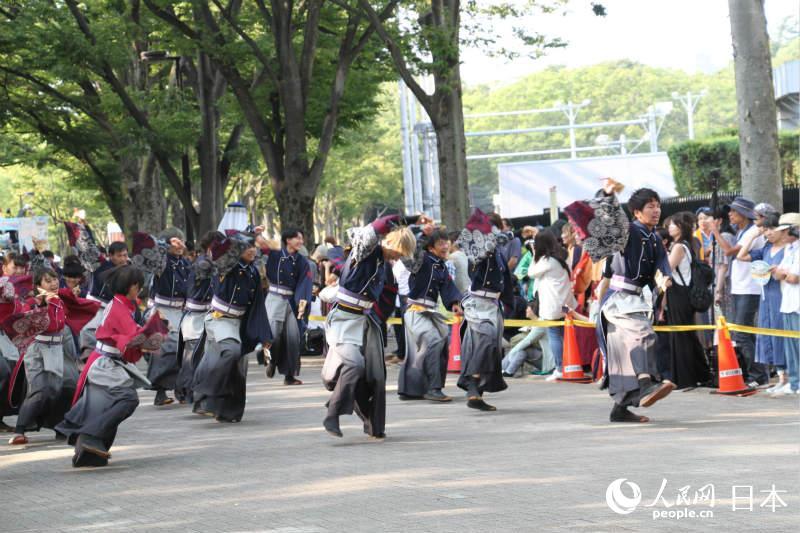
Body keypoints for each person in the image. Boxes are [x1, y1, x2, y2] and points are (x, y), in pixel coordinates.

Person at [56, 265, 167, 467]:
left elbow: (131, 340)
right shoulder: (119, 308)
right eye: (138, 285)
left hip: (107, 361)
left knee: (103, 405)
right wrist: (156, 328)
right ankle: (90, 436)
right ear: (133, 286)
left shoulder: (120, 305)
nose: (139, 289)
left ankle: (88, 451)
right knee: (127, 398)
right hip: (104, 363)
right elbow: (134, 337)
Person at [321, 215, 416, 438]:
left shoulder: (386, 266)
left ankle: (371, 422)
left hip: (365, 321)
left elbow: (387, 296)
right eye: (398, 252)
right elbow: (368, 234)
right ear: (390, 243)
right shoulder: (365, 253)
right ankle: (333, 413)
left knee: (373, 375)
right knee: (354, 365)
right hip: (343, 319)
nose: (398, 258)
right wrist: (397, 219)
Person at [595, 181, 676, 423]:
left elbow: (662, 264)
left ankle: (619, 409)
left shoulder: (653, 237)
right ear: (637, 212)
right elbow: (609, 221)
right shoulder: (629, 230)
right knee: (644, 335)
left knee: (623, 356)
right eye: (651, 206)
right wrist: (608, 196)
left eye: (658, 206)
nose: (657, 210)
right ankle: (646, 383)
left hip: (637, 299)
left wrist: (665, 278)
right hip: (619, 300)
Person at [192, 232, 272, 423]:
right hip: (220, 319)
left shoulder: (253, 272)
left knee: (238, 368)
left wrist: (264, 335)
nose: (252, 250)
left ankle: (230, 412)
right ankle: (207, 393)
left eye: (254, 246)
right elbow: (220, 252)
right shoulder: (226, 266)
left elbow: (258, 305)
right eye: (247, 246)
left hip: (241, 322)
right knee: (231, 351)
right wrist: (242, 235)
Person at [7, 269, 93, 445]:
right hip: (37, 351)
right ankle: (20, 429)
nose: (53, 283)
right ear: (39, 286)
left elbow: (72, 307)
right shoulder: (32, 304)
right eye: (47, 281)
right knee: (40, 390)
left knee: (67, 387)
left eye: (54, 279)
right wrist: (51, 302)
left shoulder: (58, 298)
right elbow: (51, 324)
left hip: (59, 348)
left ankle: (61, 427)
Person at [455, 210, 513, 411]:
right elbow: (480, 255)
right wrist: (494, 240)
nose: (496, 232)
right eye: (492, 228)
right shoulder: (476, 251)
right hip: (478, 303)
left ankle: (475, 394)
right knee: (486, 341)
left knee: (483, 347)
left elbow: (505, 280)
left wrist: (511, 302)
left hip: (493, 305)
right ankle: (474, 381)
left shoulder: (497, 253)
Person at [398, 230, 463, 402]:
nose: (446, 246)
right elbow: (411, 253)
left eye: (447, 242)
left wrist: (455, 303)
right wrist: (422, 236)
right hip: (415, 311)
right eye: (441, 243)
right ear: (431, 248)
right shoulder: (422, 259)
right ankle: (433, 389)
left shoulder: (442, 266)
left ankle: (411, 390)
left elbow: (448, 288)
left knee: (440, 344)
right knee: (433, 341)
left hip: (431, 312)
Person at [737, 212, 791, 392]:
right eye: (765, 229)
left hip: (782, 297)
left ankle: (790, 377)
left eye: (772, 228)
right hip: (766, 297)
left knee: (782, 336)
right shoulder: (766, 249)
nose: (768, 233)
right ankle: (782, 379)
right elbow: (741, 256)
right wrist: (754, 234)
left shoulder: (790, 250)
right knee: (769, 336)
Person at [258, 228, 312, 386]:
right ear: (288, 240)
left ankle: (290, 375)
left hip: (293, 303)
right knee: (272, 336)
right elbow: (260, 243)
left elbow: (305, 283)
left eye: (302, 239)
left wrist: (302, 302)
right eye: (298, 239)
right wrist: (255, 231)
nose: (301, 242)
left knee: (293, 338)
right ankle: (270, 362)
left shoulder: (302, 261)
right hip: (274, 299)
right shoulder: (275, 255)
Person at [725, 197, 769, 387]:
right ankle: (758, 373)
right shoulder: (743, 231)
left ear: (743, 214)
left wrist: (715, 233)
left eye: (733, 211)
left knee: (743, 333)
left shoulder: (752, 231)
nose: (730, 215)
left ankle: (757, 375)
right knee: (743, 332)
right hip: (739, 287)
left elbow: (730, 251)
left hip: (750, 288)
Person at [145, 229, 191, 406]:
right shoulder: (161, 263)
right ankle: (161, 390)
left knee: (186, 349)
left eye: (181, 241)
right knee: (165, 350)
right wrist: (164, 245)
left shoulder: (186, 264)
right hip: (163, 310)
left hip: (182, 311)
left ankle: (183, 389)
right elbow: (152, 256)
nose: (179, 245)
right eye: (175, 241)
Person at [175, 230, 222, 404]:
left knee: (198, 356)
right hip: (195, 316)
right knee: (192, 357)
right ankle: (186, 392)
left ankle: (192, 392)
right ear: (211, 246)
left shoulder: (208, 262)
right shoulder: (204, 264)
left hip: (206, 314)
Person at [665, 212, 710, 389]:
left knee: (681, 334)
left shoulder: (678, 247)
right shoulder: (687, 244)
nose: (669, 227)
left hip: (679, 293)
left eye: (673, 224)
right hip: (683, 292)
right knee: (687, 334)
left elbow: (667, 267)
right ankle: (700, 374)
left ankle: (685, 378)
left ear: (681, 227)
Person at [528, 231, 575, 382]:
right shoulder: (561, 256)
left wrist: (534, 255)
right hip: (565, 304)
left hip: (553, 305)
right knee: (564, 335)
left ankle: (560, 368)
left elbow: (530, 273)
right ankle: (568, 366)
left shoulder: (546, 260)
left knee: (554, 335)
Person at [79, 241, 130, 358]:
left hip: (115, 310)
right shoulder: (100, 265)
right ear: (110, 256)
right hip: (95, 307)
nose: (123, 259)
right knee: (89, 334)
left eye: (125, 255)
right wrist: (84, 227)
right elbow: (86, 245)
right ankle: (88, 362)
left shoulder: (129, 271)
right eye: (119, 255)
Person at [772, 213, 800, 396]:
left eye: (784, 230)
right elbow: (776, 274)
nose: (781, 234)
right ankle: (795, 382)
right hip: (788, 302)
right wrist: (782, 273)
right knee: (790, 346)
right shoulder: (789, 249)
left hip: (797, 303)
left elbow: (793, 277)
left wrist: (783, 273)